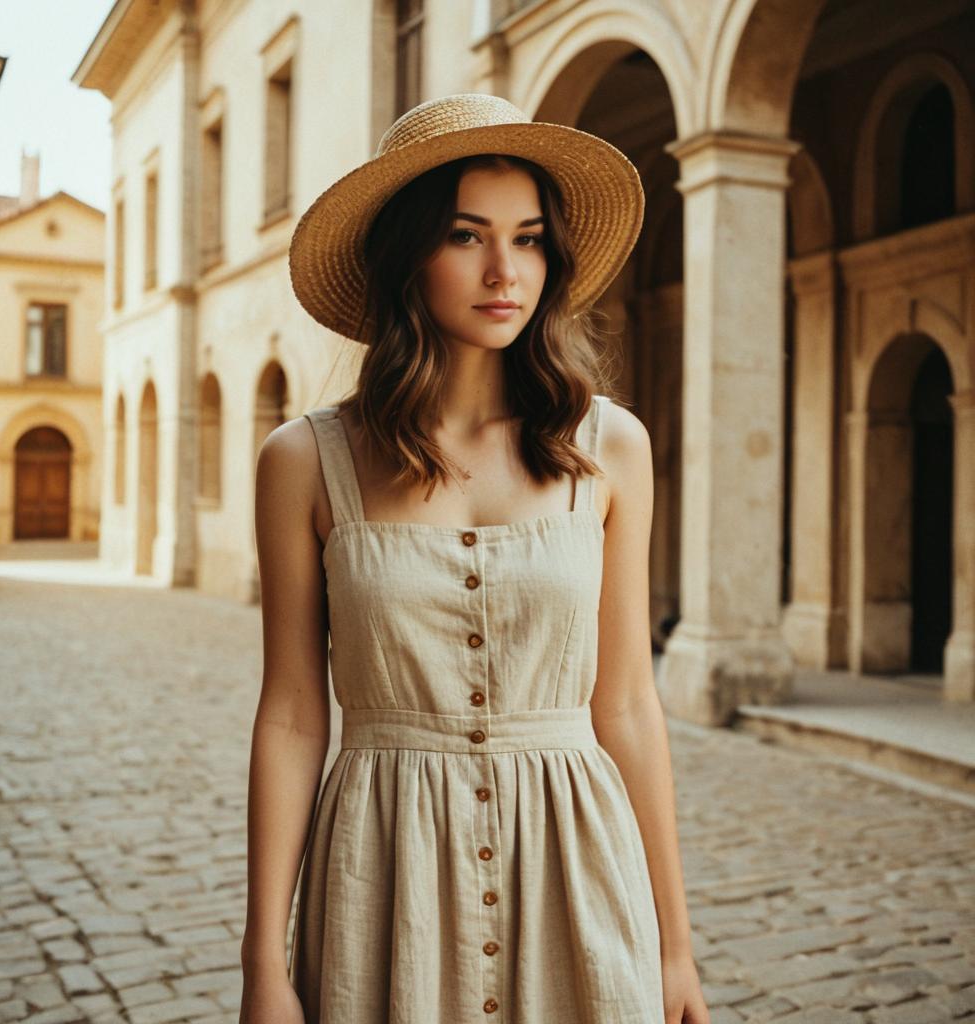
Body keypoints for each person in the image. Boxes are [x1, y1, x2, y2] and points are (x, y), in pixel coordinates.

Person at [239, 93, 709, 1024]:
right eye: (467, 235)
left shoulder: (611, 446)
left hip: (576, 865)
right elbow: (293, 717)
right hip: (383, 872)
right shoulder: (303, 461)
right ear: (408, 254)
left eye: (530, 239)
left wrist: (675, 947)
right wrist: (262, 961)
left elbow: (626, 704)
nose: (506, 271)